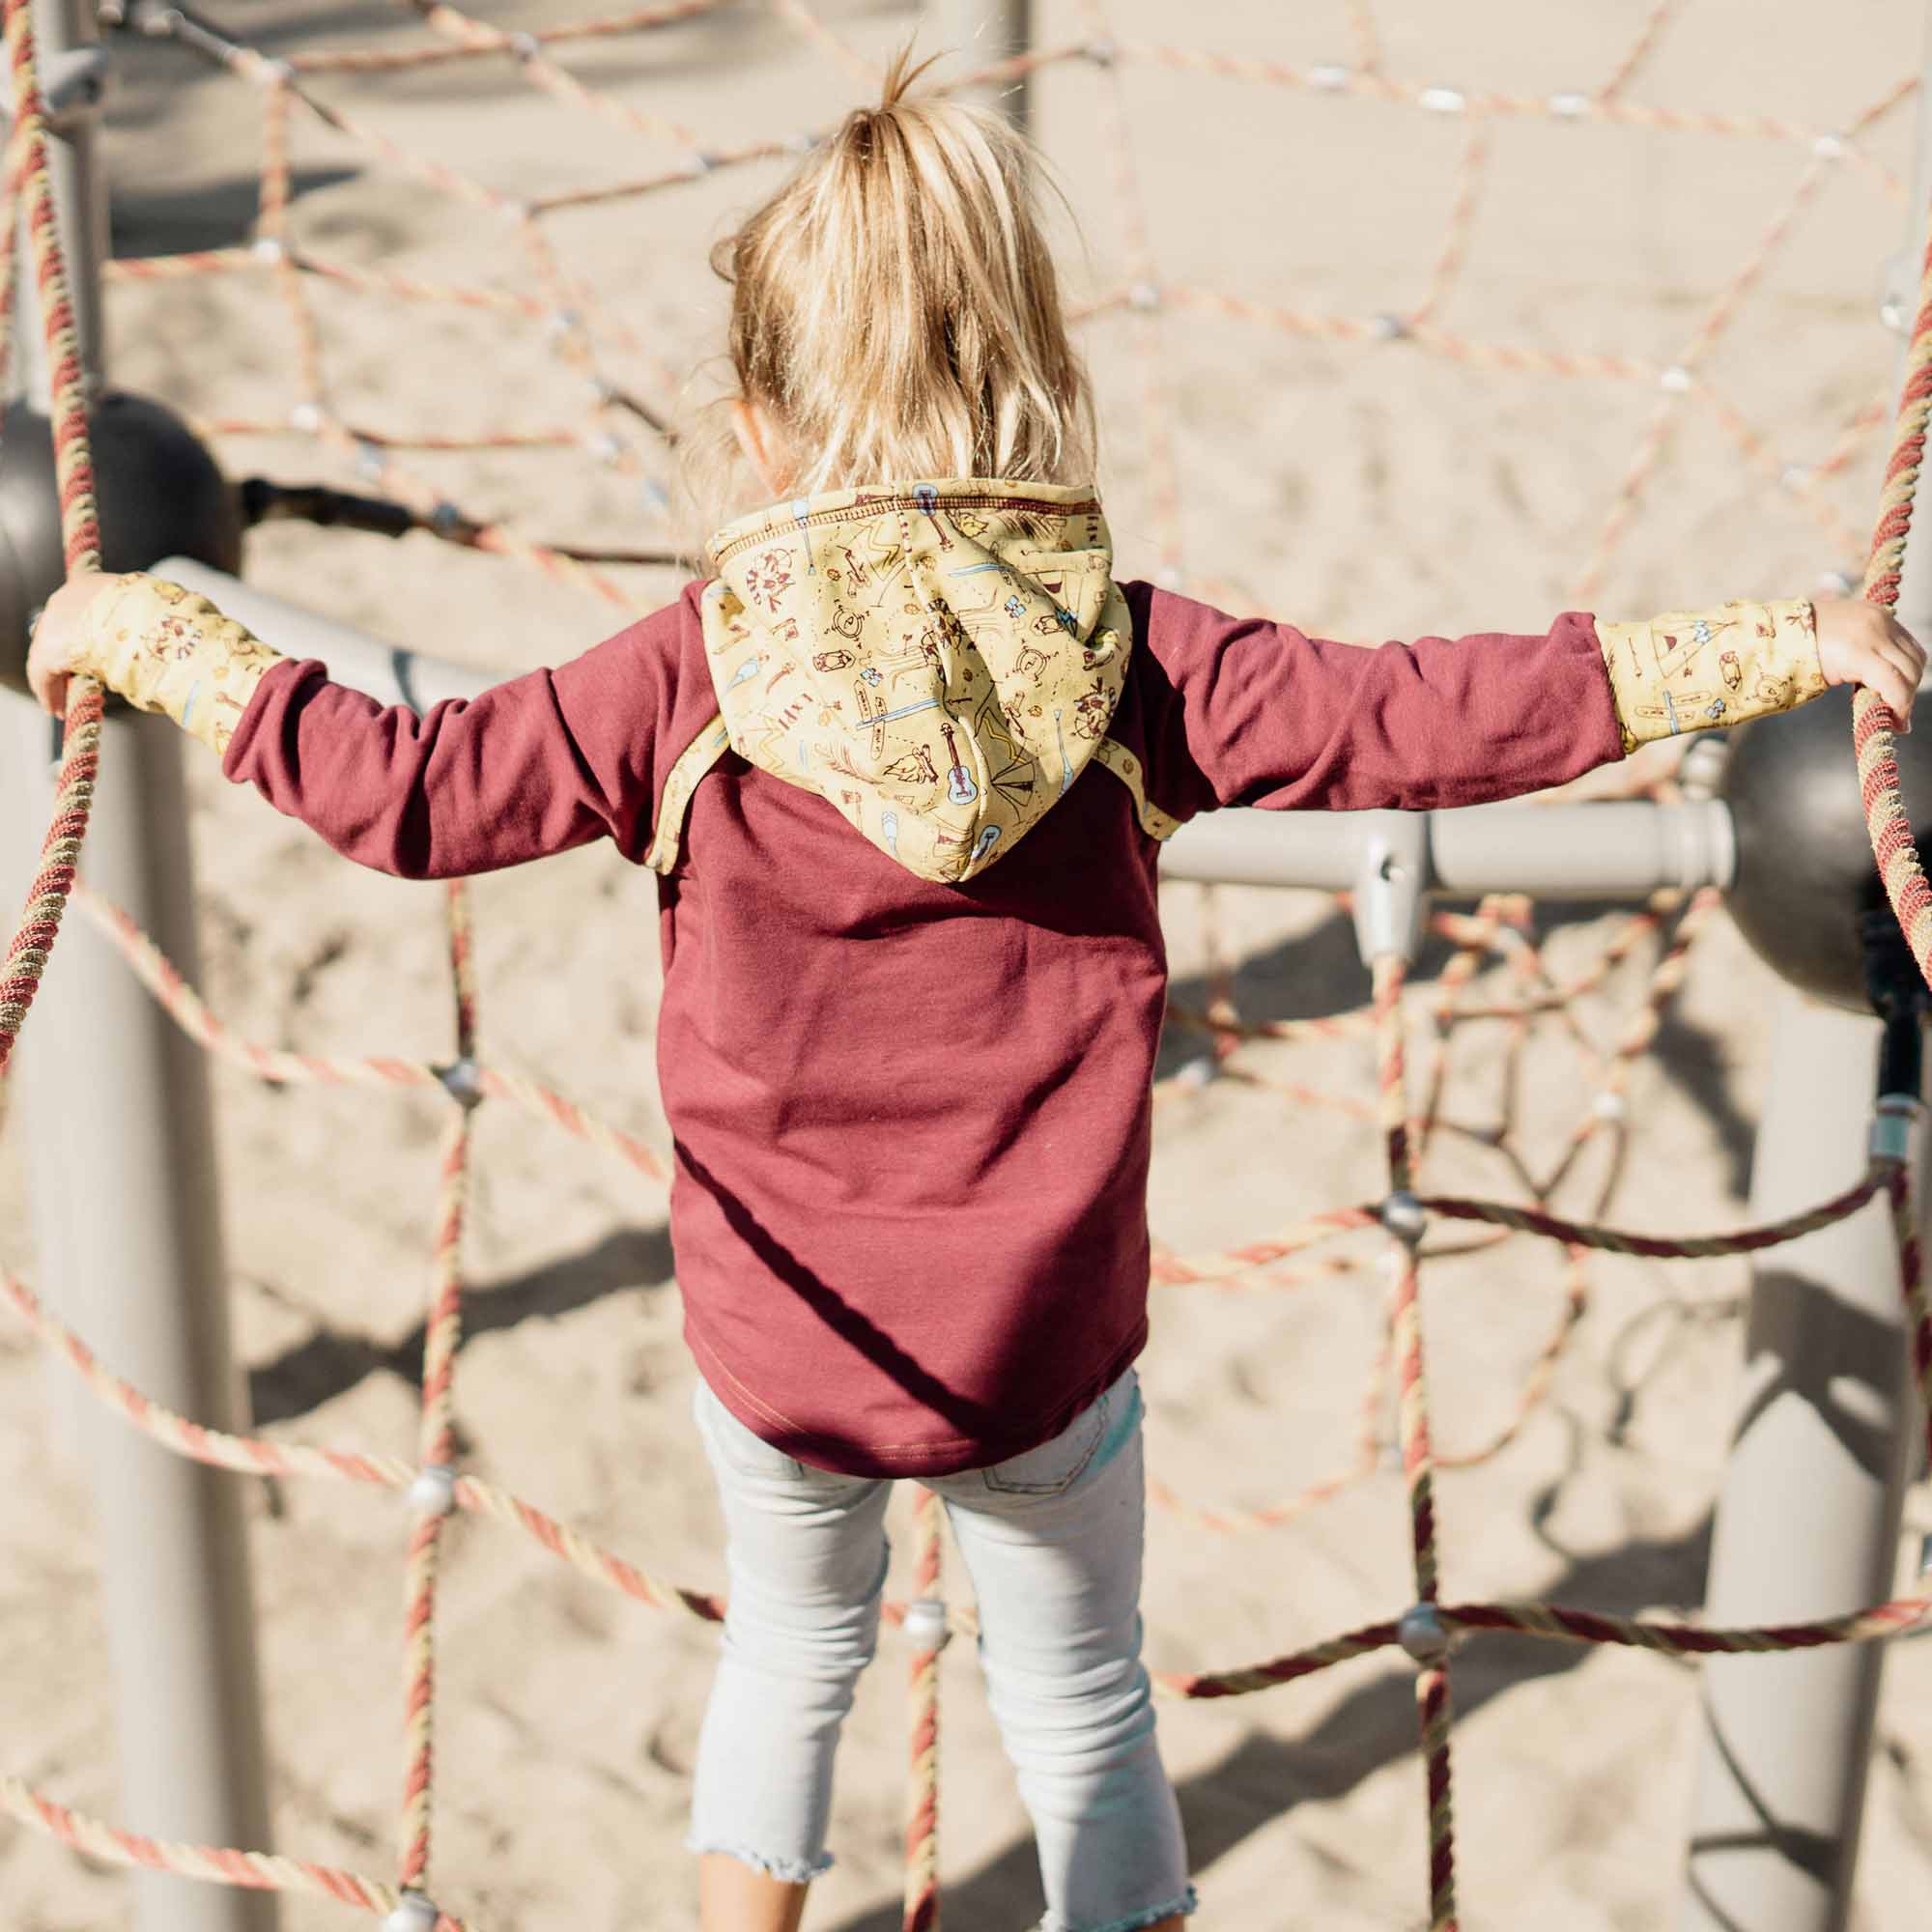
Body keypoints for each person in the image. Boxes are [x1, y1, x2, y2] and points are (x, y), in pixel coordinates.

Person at [24, 48, 1926, 1932]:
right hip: (1042, 1343)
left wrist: (162, 631)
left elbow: (412, 792)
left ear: (753, 422)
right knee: (1083, 1694)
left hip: (780, 1338)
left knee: (782, 1665)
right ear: (1029, 383)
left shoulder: (686, 676)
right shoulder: (1141, 661)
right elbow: (1432, 714)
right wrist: (1769, 643)